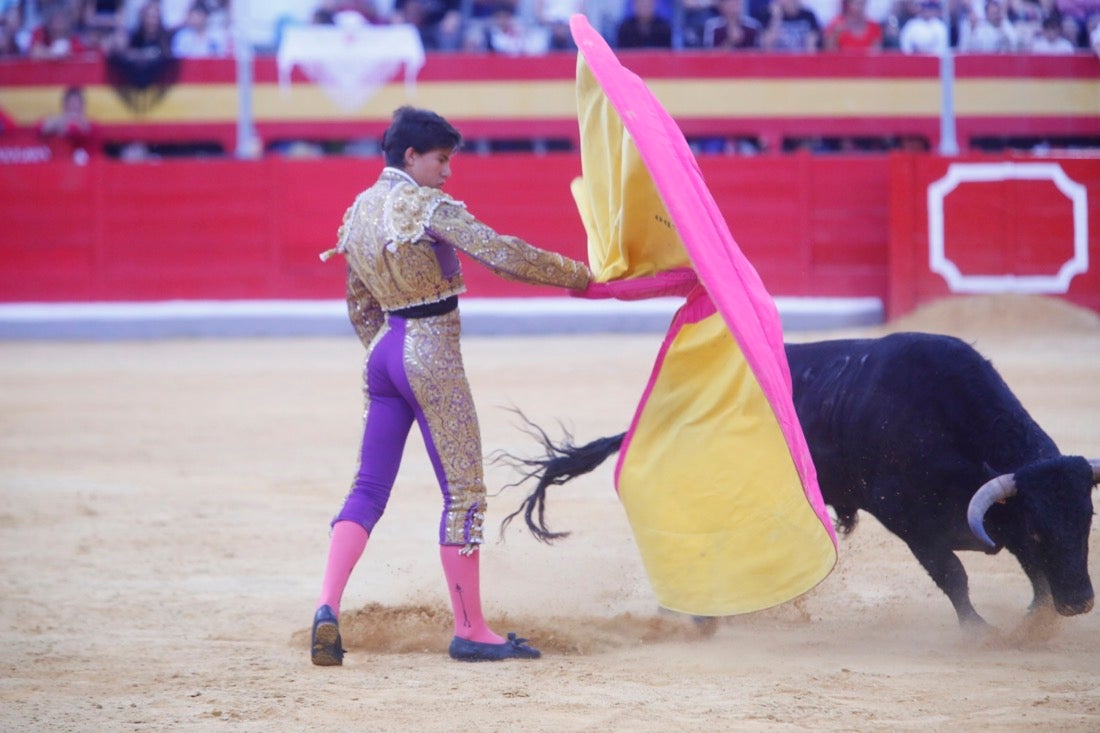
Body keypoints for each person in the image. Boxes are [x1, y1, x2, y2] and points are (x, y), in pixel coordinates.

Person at [310, 106, 592, 665]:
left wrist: (382, 356)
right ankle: (471, 629)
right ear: (410, 156)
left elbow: (358, 304)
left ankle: (326, 608)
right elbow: (502, 255)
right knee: (464, 493)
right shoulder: (423, 204)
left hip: (384, 352)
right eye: (441, 159)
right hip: (430, 351)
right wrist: (580, 276)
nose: (448, 172)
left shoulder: (360, 211)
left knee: (368, 489)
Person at [36, 85, 99, 162]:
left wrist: (74, 125)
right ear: (64, 105)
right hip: (56, 163)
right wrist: (61, 122)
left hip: (84, 165)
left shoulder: (89, 123)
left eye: (77, 103)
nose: (74, 106)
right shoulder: (56, 120)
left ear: (82, 105)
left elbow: (83, 130)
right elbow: (40, 128)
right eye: (71, 103)